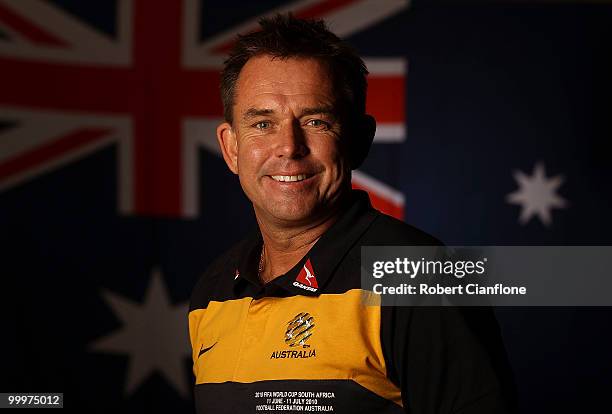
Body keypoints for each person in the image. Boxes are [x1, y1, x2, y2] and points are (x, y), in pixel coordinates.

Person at [189, 14, 514, 414]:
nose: (288, 147)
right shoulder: (213, 291)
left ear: (359, 140)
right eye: (262, 123)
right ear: (232, 148)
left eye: (316, 121)